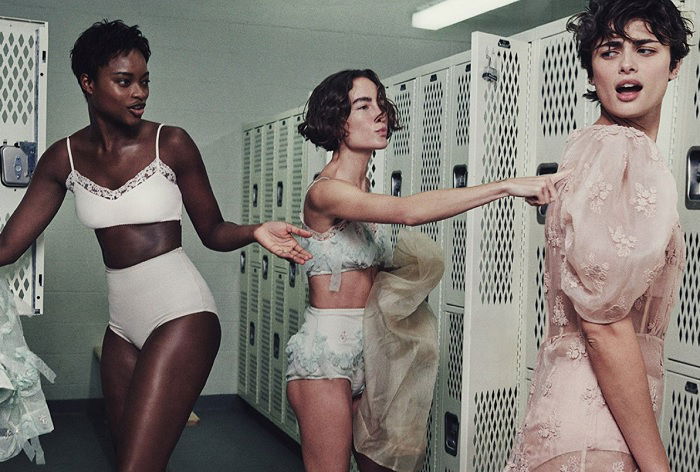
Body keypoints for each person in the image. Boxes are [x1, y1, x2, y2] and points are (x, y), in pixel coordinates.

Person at [0, 19, 311, 472]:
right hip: (121, 325)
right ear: (88, 84)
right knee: (129, 459)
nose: (139, 93)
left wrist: (255, 231)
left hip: (182, 313)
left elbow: (213, 231)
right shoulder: (62, 158)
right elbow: (7, 247)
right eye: (124, 81)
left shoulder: (172, 143)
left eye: (144, 81)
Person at [285, 68, 567, 472]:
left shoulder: (366, 192)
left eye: (380, 103)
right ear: (337, 121)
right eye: (363, 105)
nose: (379, 113)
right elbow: (410, 212)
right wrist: (504, 186)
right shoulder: (326, 191)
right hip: (326, 354)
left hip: (375, 349)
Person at [505, 1, 691, 471]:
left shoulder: (585, 145)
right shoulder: (622, 150)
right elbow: (604, 326)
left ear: (675, 66)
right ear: (591, 72)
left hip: (571, 411)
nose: (627, 63)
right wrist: (658, 466)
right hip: (598, 426)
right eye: (610, 51)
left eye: (645, 49)